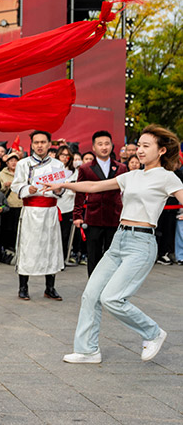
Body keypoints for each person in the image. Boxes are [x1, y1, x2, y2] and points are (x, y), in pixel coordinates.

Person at [43, 125, 183, 364]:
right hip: (119, 240)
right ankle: (87, 350)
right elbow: (95, 187)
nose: (139, 150)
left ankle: (152, 332)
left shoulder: (167, 177)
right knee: (91, 295)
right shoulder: (131, 175)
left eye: (145, 146)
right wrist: (64, 185)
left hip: (141, 243)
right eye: (138, 145)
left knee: (112, 298)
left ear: (161, 150)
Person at [11, 131, 65, 301]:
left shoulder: (58, 165)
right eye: (36, 142)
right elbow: (15, 185)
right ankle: (23, 287)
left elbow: (62, 187)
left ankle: (50, 287)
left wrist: (58, 189)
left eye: (43, 142)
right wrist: (27, 189)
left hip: (50, 211)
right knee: (28, 247)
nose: (40, 146)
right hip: (31, 211)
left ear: (50, 144)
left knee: (51, 247)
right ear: (32, 144)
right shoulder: (23, 164)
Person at [74, 131, 127, 276]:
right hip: (94, 217)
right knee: (94, 254)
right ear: (94, 147)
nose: (104, 147)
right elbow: (79, 192)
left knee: (113, 253)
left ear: (112, 146)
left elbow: (126, 193)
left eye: (107, 144)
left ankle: (111, 284)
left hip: (114, 216)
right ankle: (93, 284)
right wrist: (77, 215)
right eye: (100, 144)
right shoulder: (85, 168)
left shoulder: (121, 168)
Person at [0, 152, 22, 263]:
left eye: (15, 160)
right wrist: (4, 186)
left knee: (19, 230)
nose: (13, 163)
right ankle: (7, 253)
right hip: (8, 206)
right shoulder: (2, 174)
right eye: (11, 160)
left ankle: (19, 252)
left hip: (21, 205)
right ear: (7, 162)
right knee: (8, 230)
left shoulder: (22, 173)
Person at [56, 146, 78, 265]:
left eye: (67, 155)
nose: (64, 158)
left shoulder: (74, 172)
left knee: (65, 235)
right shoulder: (52, 170)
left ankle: (63, 259)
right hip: (54, 206)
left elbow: (75, 189)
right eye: (62, 155)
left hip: (68, 206)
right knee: (53, 235)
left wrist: (66, 186)